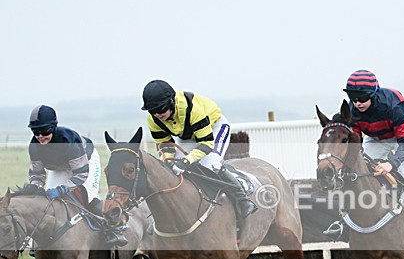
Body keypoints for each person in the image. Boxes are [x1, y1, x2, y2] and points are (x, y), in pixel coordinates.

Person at [340, 69, 404, 234]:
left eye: (363, 98)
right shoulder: (353, 111)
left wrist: (391, 164)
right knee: (358, 170)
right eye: (353, 98)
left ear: (373, 94)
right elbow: (355, 142)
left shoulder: (396, 106)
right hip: (375, 138)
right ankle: (345, 219)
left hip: (400, 137)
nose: (357, 103)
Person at [140, 79, 257, 218]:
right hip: (188, 134)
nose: (158, 114)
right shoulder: (153, 120)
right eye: (153, 111)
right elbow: (165, 145)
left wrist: (185, 161)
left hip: (214, 129)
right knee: (171, 168)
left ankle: (242, 199)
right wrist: (167, 159)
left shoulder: (193, 109)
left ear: (171, 102)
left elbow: (206, 143)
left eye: (161, 109)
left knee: (211, 163)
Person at [27, 105, 127, 247]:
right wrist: (34, 189)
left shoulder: (69, 139)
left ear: (54, 127)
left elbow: (81, 174)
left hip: (86, 163)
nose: (40, 136)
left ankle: (114, 229)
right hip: (60, 167)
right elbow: (37, 175)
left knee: (88, 200)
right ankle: (40, 240)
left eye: (44, 131)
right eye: (35, 131)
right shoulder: (34, 146)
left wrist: (62, 189)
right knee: (47, 201)